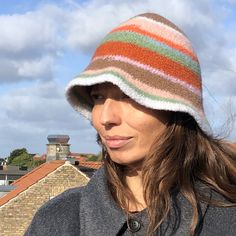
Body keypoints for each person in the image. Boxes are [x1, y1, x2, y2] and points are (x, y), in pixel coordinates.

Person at [25, 13, 236, 236]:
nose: (105, 118)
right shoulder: (56, 221)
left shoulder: (227, 218)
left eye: (128, 96)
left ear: (178, 108)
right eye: (97, 97)